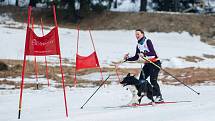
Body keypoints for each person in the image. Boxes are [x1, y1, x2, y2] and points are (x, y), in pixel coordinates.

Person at [123, 29, 163, 102]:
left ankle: (159, 96)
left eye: (138, 34)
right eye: (135, 35)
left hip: (155, 63)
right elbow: (136, 57)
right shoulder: (138, 45)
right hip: (147, 64)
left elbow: (152, 53)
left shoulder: (147, 41)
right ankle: (138, 98)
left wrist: (144, 54)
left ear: (143, 34)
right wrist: (127, 58)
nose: (136, 36)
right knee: (141, 80)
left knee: (153, 81)